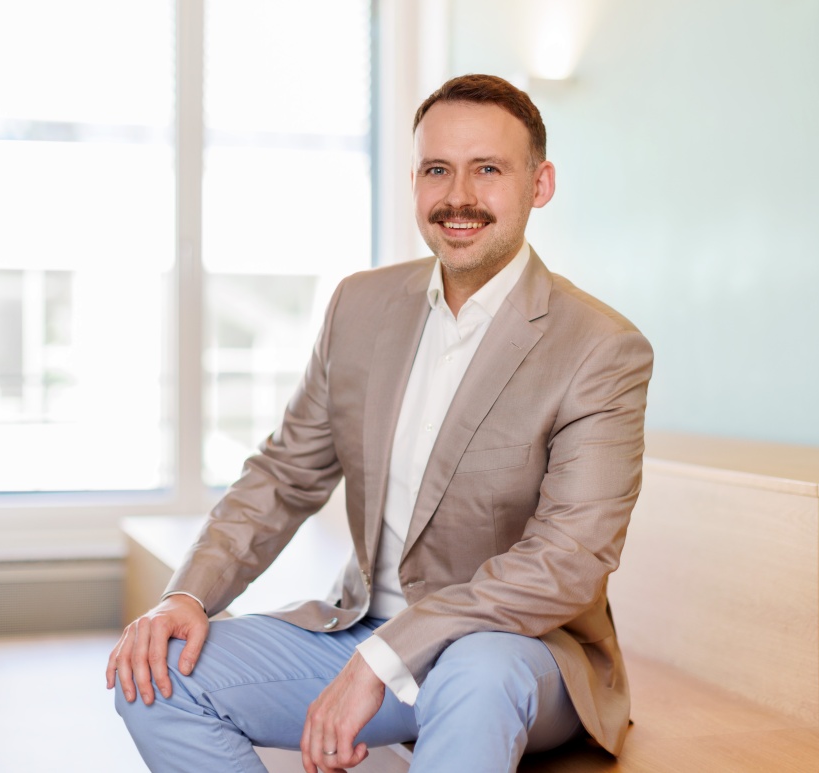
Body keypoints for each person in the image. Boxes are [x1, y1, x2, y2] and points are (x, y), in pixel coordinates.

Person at [106, 73, 653, 773]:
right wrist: (186, 595)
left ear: (539, 184)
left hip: (519, 652)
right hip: (357, 627)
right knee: (153, 673)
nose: (459, 196)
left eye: (488, 169)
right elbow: (282, 477)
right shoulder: (359, 307)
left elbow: (566, 565)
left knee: (477, 673)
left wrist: (389, 653)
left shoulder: (599, 347)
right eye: (437, 170)